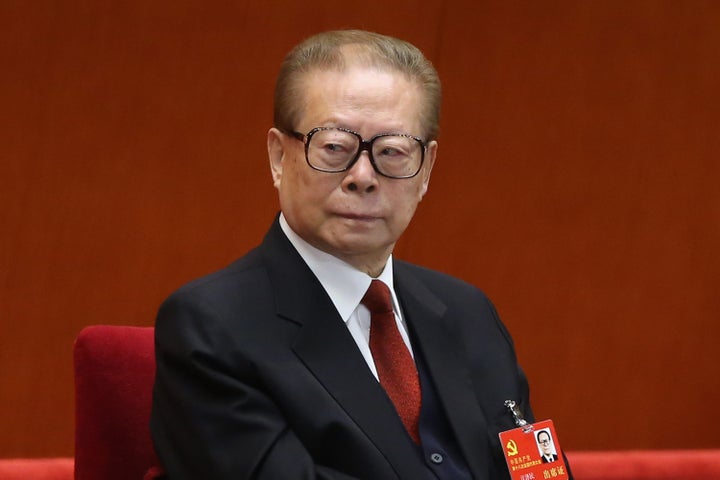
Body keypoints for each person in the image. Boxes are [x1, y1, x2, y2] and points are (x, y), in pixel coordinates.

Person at [151, 29, 568, 479]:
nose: (363, 177)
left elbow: (539, 472)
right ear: (278, 157)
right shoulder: (213, 327)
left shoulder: (468, 313)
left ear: (425, 170)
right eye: (335, 148)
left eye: (391, 152)